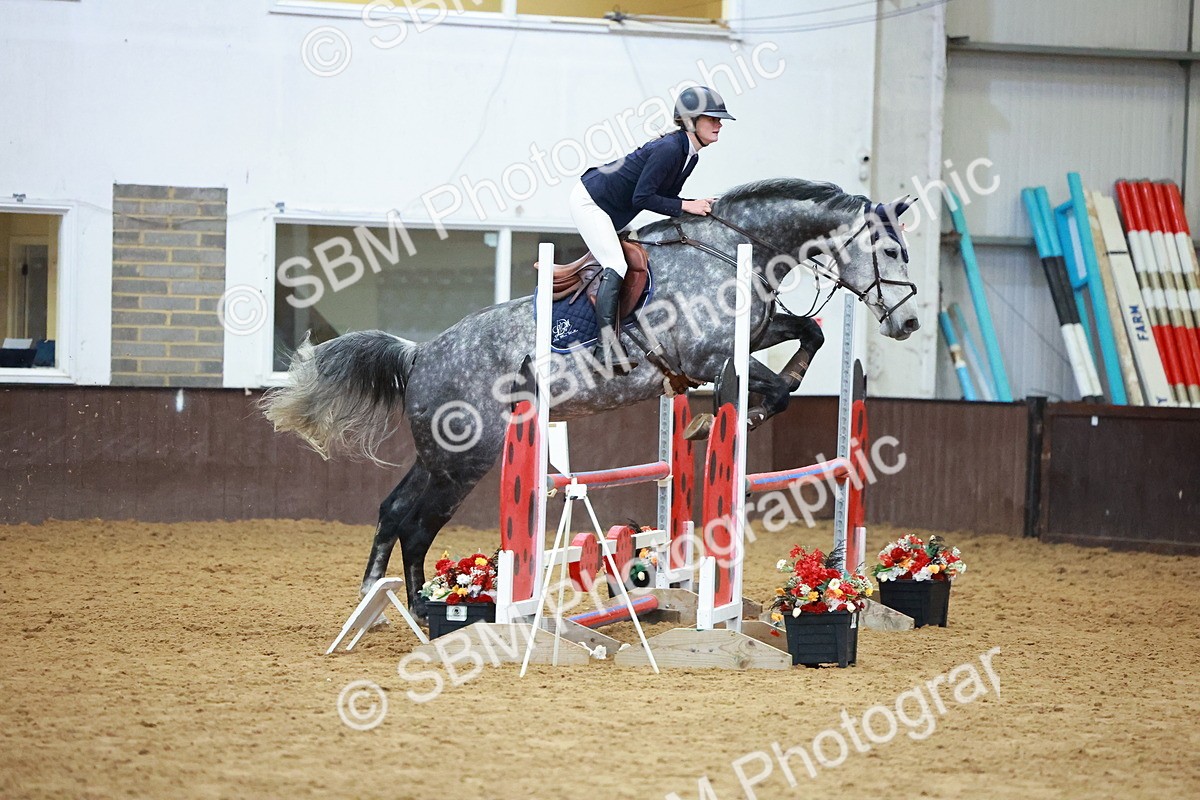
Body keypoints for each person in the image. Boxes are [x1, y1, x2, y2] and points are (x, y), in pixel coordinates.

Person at [570, 85, 734, 374]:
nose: (719, 125)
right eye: (712, 118)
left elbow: (668, 199)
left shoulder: (690, 155)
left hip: (614, 210)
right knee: (616, 264)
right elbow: (643, 198)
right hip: (591, 202)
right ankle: (604, 348)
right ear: (691, 121)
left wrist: (695, 206)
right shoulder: (670, 149)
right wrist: (687, 205)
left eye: (719, 120)